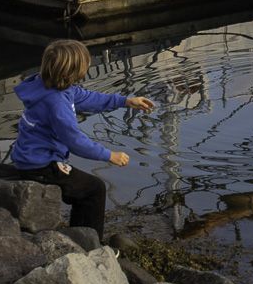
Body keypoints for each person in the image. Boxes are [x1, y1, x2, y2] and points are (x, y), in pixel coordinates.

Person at [11, 39, 154, 237]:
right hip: (40, 167)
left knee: (85, 188)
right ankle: (89, 243)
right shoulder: (57, 103)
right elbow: (74, 141)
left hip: (29, 157)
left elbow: (87, 98)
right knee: (93, 189)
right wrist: (109, 155)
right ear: (74, 71)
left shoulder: (49, 85)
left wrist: (125, 101)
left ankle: (78, 234)